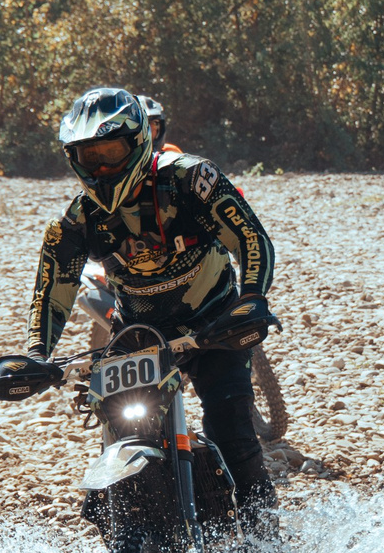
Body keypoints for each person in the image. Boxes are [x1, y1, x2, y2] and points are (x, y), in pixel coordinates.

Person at [27, 86, 279, 513]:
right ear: (75, 159)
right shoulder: (73, 222)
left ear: (140, 141)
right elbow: (52, 293)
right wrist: (35, 353)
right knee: (125, 430)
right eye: (91, 157)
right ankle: (137, 522)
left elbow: (251, 239)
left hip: (215, 325)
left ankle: (266, 541)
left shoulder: (192, 179)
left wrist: (252, 297)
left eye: (111, 151)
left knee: (233, 434)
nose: (103, 166)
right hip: (138, 337)